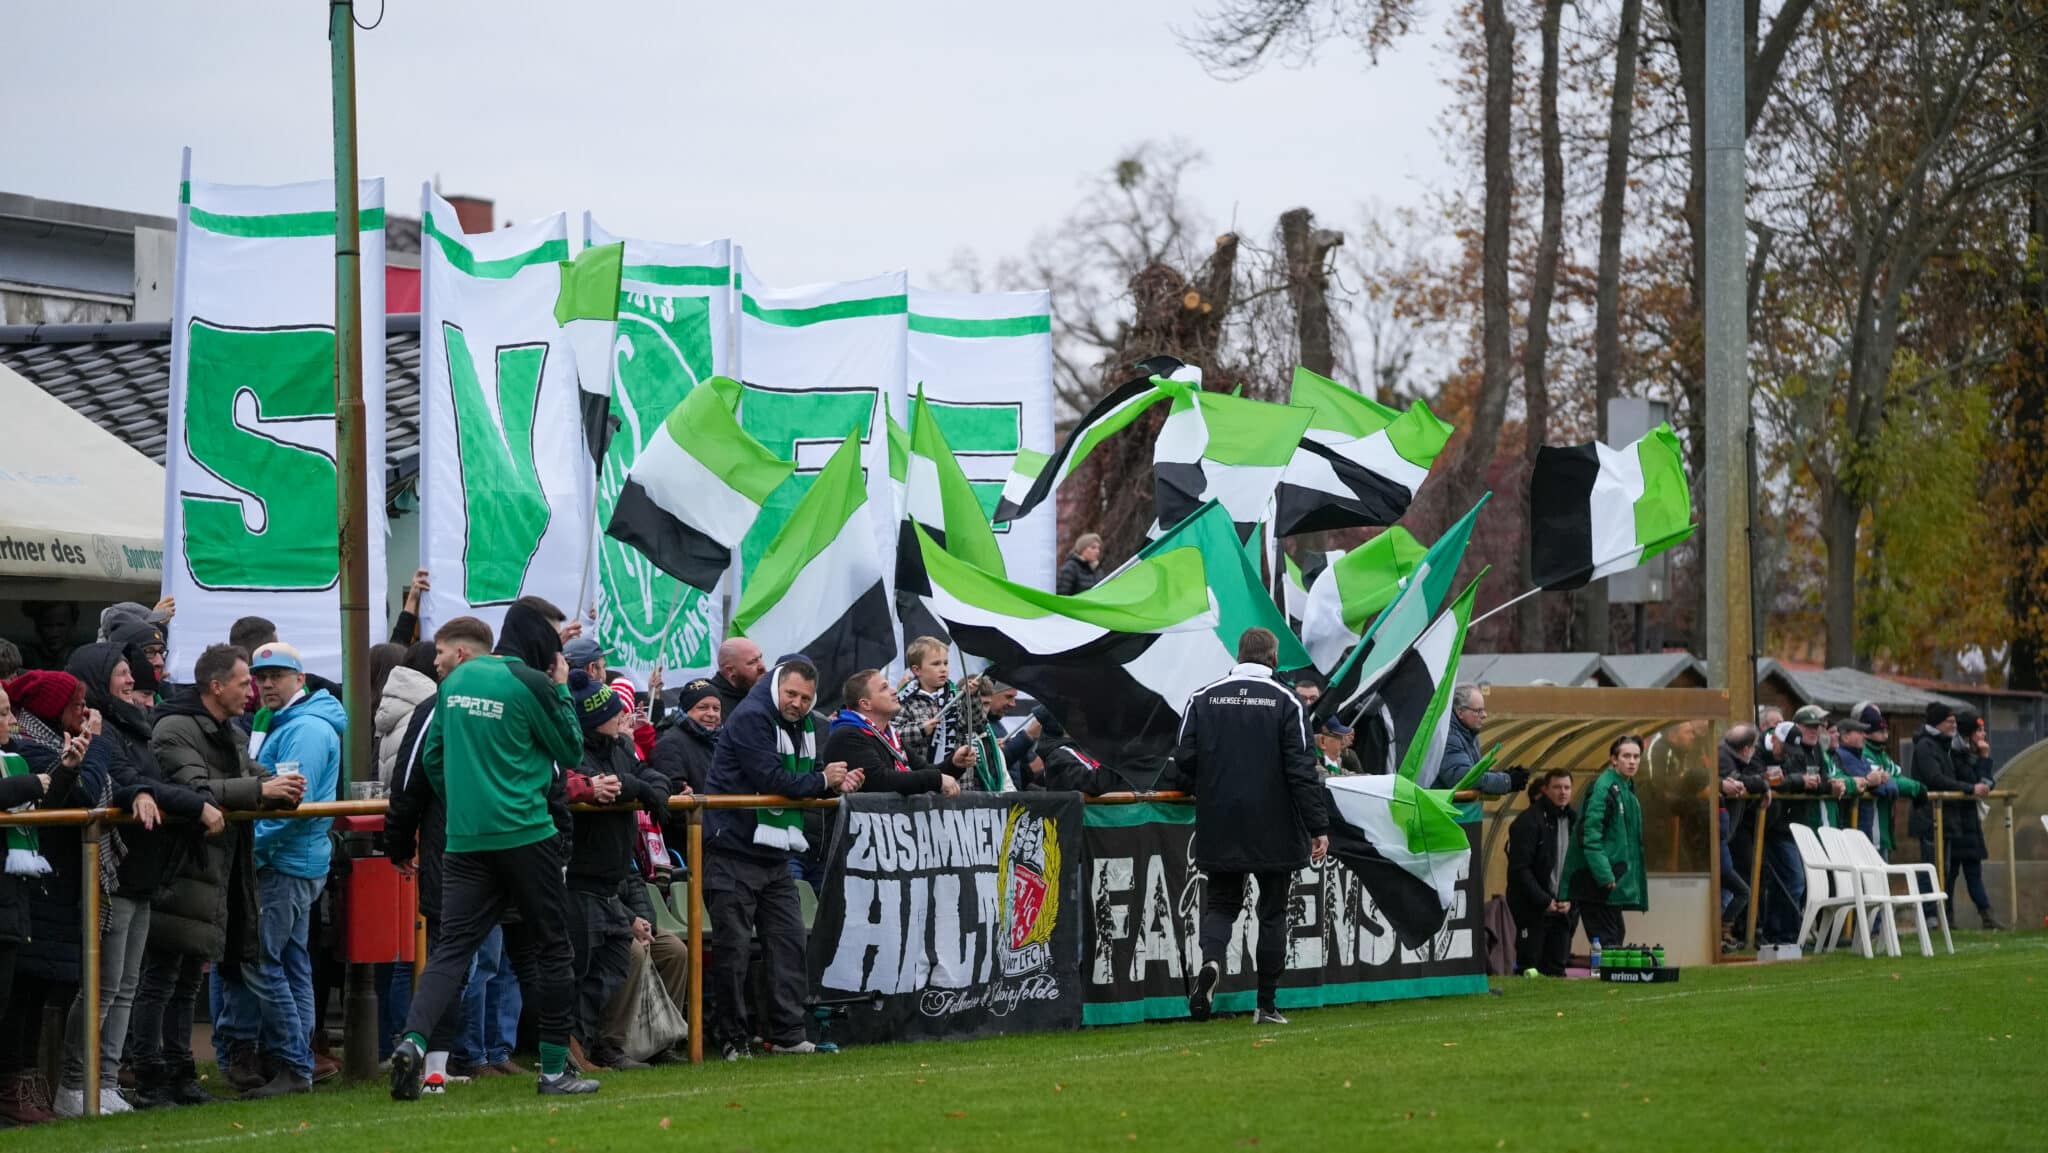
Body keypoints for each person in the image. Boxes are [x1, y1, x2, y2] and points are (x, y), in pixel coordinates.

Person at [389, 599, 597, 1099]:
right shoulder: (532, 683)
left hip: (464, 839)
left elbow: (433, 759)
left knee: (450, 951)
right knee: (552, 950)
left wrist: (465, 799)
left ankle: (414, 1042)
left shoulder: (455, 682)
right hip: (527, 833)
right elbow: (570, 750)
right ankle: (553, 1072)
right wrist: (564, 688)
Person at [138, 645, 303, 1104]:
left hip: (215, 869)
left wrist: (280, 790)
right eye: (244, 682)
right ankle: (151, 1076)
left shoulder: (225, 728)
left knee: (189, 978)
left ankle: (181, 1075)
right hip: (181, 869)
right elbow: (192, 790)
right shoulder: (174, 727)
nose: (251, 691)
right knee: (161, 978)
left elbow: (252, 775)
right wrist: (261, 789)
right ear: (216, 686)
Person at [56, 645, 213, 1117]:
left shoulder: (136, 726)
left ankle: (104, 1081)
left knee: (125, 985)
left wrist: (153, 791)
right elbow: (115, 781)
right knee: (103, 986)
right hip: (114, 870)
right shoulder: (102, 728)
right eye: (122, 674)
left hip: (143, 872)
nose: (132, 681)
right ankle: (74, 1083)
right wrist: (147, 793)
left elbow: (147, 780)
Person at [702, 659, 862, 1060]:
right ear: (776, 686)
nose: (798, 704)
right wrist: (825, 781)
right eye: (791, 694)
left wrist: (834, 783)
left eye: (806, 698)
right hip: (732, 850)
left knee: (789, 944)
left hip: (773, 853)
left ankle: (788, 1033)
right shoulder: (752, 717)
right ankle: (732, 1038)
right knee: (733, 952)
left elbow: (799, 785)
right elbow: (772, 779)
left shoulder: (801, 725)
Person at [1173, 628, 1328, 1026]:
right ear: (1273, 658)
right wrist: (1318, 826)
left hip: (1220, 818)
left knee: (1222, 904)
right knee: (1272, 912)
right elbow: (1301, 771)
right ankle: (1266, 1005)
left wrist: (1207, 786)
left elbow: (1184, 757)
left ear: (1239, 654)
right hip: (1275, 823)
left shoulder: (1202, 698)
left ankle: (1210, 961)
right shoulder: (1287, 702)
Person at [224, 641, 344, 1097]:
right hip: (291, 861)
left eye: (276, 675)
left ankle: (295, 1063)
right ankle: (296, 1062)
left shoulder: (306, 728)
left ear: (300, 678)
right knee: (290, 963)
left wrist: (249, 852)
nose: (266, 683)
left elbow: (293, 806)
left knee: (263, 963)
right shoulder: (289, 722)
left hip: (285, 863)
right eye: (260, 676)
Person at [563, 672, 672, 1070]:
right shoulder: (574, 750)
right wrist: (639, 788)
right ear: (596, 719)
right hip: (580, 880)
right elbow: (611, 783)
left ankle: (585, 1044)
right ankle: (568, 1049)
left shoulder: (619, 746)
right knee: (578, 972)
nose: (623, 715)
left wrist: (652, 789)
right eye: (614, 711)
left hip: (611, 883)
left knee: (612, 964)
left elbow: (647, 775)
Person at [0, 681, 80, 1126]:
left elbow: (45, 801)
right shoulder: (19, 769)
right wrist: (31, 782)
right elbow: (24, 791)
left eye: (10, 711)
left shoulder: (11, 758)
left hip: (13, 900)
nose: (11, 722)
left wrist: (66, 768)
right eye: (3, 713)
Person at [1910, 703, 1999, 929]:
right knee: (1934, 868)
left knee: (1945, 870)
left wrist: (1983, 758)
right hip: (1932, 816)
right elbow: (1936, 779)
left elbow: (1985, 782)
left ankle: (1941, 917)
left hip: (1949, 819)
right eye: (1949, 721)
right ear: (1938, 722)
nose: (1953, 725)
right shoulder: (1927, 747)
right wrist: (1970, 788)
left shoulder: (1943, 746)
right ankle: (1931, 918)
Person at [823, 669, 965, 796]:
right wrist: (935, 780)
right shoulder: (848, 735)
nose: (894, 691)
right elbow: (881, 781)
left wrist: (955, 764)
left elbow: (923, 769)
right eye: (884, 688)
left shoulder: (890, 735)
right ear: (865, 704)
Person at [1563, 735, 1646, 949]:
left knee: (1616, 933)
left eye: (1636, 756)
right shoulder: (1604, 788)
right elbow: (1589, 836)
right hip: (1596, 881)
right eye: (1626, 756)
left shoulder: (1625, 787)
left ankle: (1609, 977)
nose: (1632, 761)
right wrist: (1604, 874)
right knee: (1607, 938)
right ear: (1613, 760)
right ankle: (1606, 978)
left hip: (1610, 880)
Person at [1505, 770, 1575, 976]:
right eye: (1557, 787)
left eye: (1567, 787)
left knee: (1557, 968)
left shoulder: (1575, 821)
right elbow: (1519, 869)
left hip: (1563, 909)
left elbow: (1578, 866)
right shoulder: (1528, 822)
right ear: (1546, 790)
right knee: (1531, 966)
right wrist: (1544, 900)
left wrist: (1570, 899)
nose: (1562, 792)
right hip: (1532, 909)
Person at [1716, 726, 1768, 949]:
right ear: (1746, 748)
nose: (1755, 751)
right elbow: (1742, 780)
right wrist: (1764, 784)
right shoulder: (1723, 757)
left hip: (1726, 836)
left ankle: (1723, 934)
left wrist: (1761, 782)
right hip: (1716, 838)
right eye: (1753, 747)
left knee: (1729, 889)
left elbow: (1749, 777)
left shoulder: (1731, 756)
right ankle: (1721, 931)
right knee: (1739, 889)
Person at [1847, 704, 1921, 859]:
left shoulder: (1882, 754)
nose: (1886, 735)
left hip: (1881, 829)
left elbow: (1896, 776)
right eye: (1881, 731)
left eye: (1886, 730)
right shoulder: (1862, 752)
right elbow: (1889, 784)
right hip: (1866, 829)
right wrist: (1917, 789)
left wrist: (1917, 787)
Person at [893, 636, 975, 773]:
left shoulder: (956, 694)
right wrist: (920, 730)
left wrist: (970, 698)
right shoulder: (905, 699)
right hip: (923, 776)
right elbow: (894, 736)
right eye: (936, 664)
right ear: (917, 670)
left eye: (945, 663)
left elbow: (976, 724)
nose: (943, 669)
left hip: (960, 779)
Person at [1431, 684, 1513, 795]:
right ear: (1460, 712)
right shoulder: (1449, 736)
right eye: (1478, 711)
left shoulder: (1468, 733)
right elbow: (1463, 777)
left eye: (1483, 710)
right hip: (1444, 809)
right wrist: (1507, 781)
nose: (1484, 715)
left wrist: (1503, 775)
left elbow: (1475, 773)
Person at [709, 638, 766, 721]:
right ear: (730, 670)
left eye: (760, 658)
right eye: (752, 662)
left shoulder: (765, 696)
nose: (762, 667)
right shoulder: (711, 703)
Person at [20, 601, 80, 671]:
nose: (54, 633)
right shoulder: (25, 657)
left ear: (72, 626)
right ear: (38, 627)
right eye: (48, 626)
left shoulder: (81, 658)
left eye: (61, 625)